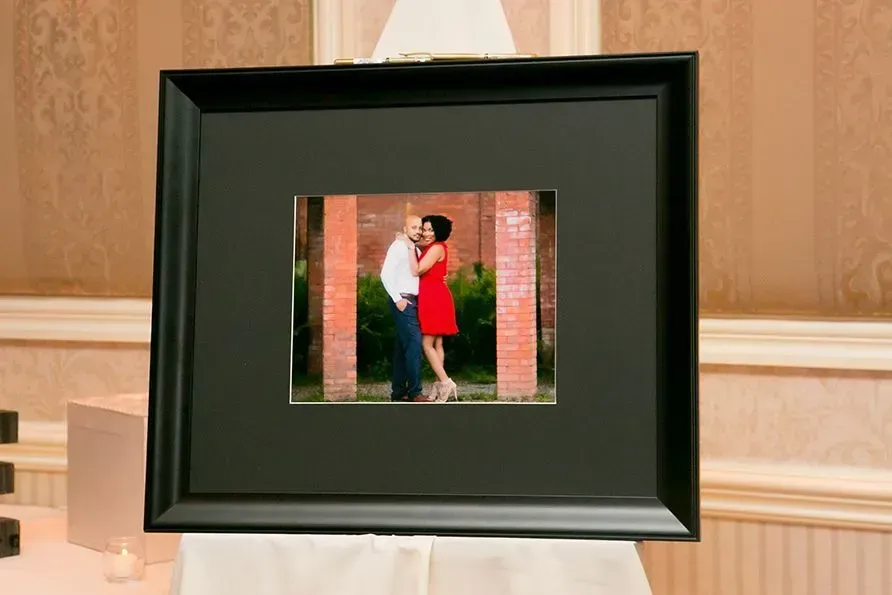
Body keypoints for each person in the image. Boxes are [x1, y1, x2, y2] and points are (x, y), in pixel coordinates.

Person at [400, 215, 459, 402]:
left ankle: (446, 382)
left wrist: (409, 246)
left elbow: (416, 270)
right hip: (435, 295)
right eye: (424, 229)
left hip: (434, 298)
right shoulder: (433, 248)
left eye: (430, 230)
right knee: (437, 344)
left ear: (439, 232)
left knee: (426, 344)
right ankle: (438, 387)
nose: (425, 233)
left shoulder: (435, 248)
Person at [379, 215, 433, 402]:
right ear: (405, 229)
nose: (418, 231)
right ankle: (415, 392)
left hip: (413, 302)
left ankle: (398, 392)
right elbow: (385, 274)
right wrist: (397, 299)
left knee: (403, 348)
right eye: (414, 227)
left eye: (420, 228)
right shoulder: (398, 246)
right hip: (404, 302)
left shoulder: (413, 249)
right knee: (414, 345)